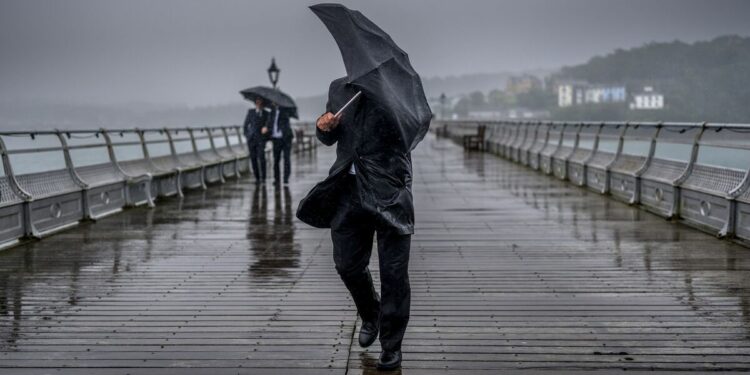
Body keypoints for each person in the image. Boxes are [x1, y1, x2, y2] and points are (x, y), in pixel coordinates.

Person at [299, 78, 414, 371]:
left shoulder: (397, 89)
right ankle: (370, 312)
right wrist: (324, 126)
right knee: (346, 264)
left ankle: (391, 346)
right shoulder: (339, 89)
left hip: (390, 189)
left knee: (394, 274)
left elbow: (410, 133)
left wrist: (386, 102)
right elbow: (329, 138)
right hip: (348, 190)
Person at [266, 103, 294, 185]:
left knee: (286, 159)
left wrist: (282, 109)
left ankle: (286, 178)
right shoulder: (272, 112)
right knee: (276, 160)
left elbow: (286, 122)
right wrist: (267, 128)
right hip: (276, 139)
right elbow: (269, 123)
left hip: (286, 138)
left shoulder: (285, 110)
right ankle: (276, 179)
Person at [242, 98, 269, 183]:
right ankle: (257, 178)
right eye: (257, 102)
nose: (259, 104)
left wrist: (266, 128)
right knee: (253, 159)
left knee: (261, 158)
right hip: (251, 140)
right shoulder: (251, 112)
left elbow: (269, 125)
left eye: (260, 103)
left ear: (263, 104)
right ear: (255, 103)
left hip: (261, 140)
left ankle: (263, 178)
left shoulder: (266, 114)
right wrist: (247, 136)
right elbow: (245, 125)